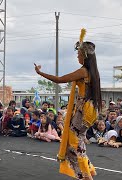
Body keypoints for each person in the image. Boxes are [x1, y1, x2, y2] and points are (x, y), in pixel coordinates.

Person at [34, 29, 101, 179]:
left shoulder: (84, 71)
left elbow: (60, 79)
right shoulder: (93, 72)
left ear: (84, 55)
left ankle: (85, 175)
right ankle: (85, 174)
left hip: (83, 112)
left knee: (75, 143)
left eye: (78, 54)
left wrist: (40, 73)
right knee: (76, 143)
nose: (77, 56)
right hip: (89, 110)